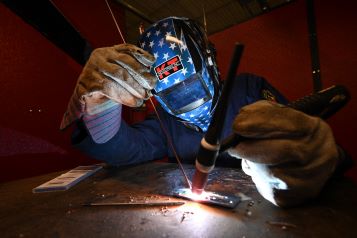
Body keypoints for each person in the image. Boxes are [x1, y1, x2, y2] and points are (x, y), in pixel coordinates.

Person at [60, 16, 346, 207]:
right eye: (172, 95)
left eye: (191, 87)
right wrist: (100, 103)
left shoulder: (248, 89)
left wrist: (302, 160)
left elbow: (294, 135)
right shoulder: (166, 125)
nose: (186, 101)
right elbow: (117, 148)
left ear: (209, 66)